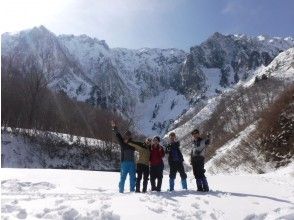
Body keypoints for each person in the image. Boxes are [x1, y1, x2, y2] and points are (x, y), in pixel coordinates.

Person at [111, 120, 136, 193]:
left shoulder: (133, 144)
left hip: (132, 163)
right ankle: (121, 191)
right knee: (122, 178)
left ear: (130, 136)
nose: (127, 136)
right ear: (125, 136)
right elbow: (118, 135)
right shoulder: (122, 143)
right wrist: (114, 127)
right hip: (124, 163)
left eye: (129, 135)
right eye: (126, 135)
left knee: (132, 178)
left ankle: (132, 191)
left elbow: (141, 146)